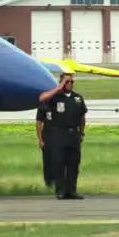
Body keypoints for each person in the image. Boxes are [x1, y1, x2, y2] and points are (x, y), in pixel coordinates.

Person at [38, 72, 87, 200]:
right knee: (58, 163)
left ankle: (71, 191)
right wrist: (58, 88)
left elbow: (83, 117)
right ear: (61, 83)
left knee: (73, 164)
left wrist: (81, 133)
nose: (70, 84)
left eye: (71, 82)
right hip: (58, 134)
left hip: (73, 135)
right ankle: (60, 191)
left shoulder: (77, 98)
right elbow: (42, 98)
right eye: (67, 82)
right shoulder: (54, 97)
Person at [35, 99, 56, 188]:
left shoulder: (62, 102)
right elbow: (39, 122)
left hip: (60, 137)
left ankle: (60, 182)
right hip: (47, 137)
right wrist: (40, 140)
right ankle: (49, 183)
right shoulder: (44, 105)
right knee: (47, 162)